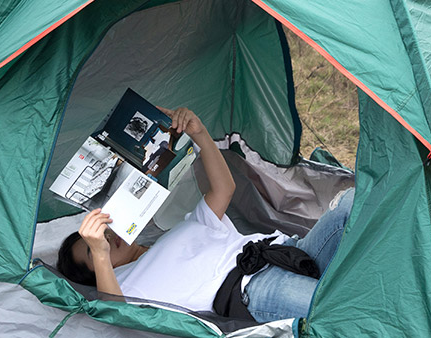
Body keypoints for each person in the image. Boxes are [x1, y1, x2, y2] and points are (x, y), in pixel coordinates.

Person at [57, 106, 353, 323]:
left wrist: (200, 134)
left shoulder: (174, 234)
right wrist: (98, 249)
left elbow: (224, 189)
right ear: (96, 270)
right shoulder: (122, 288)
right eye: (96, 249)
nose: (107, 240)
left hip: (286, 251)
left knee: (354, 204)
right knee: (345, 309)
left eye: (104, 233)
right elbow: (116, 316)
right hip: (255, 288)